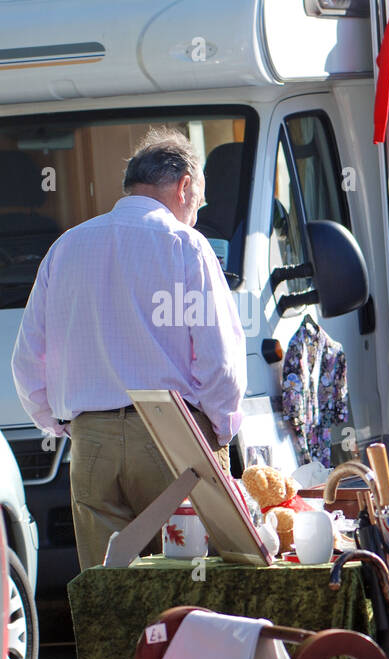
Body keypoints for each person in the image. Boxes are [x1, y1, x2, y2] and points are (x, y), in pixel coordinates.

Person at [11, 129, 246, 571]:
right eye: (198, 202)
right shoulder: (186, 245)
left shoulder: (66, 247)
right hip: (174, 435)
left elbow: (27, 362)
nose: (194, 215)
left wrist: (60, 424)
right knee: (186, 585)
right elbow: (221, 364)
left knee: (107, 590)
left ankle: (122, 646)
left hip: (90, 441)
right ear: (182, 186)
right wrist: (221, 431)